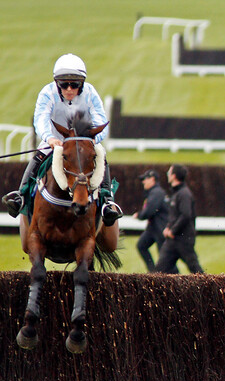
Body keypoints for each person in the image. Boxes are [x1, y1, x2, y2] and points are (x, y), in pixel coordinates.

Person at [2, 53, 122, 226]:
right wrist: (49, 138)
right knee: (40, 154)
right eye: (64, 85)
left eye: (74, 85)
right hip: (56, 142)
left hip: (84, 142)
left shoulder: (90, 93)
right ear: (57, 83)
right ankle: (21, 195)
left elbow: (101, 120)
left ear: (82, 84)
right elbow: (41, 118)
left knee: (100, 153)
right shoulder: (47, 92)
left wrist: (93, 139)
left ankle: (108, 203)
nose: (69, 90)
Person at [154, 165, 204, 274]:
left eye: (169, 172)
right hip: (172, 240)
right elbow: (174, 216)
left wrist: (172, 230)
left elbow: (186, 215)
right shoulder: (177, 193)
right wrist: (168, 227)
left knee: (196, 270)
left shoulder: (184, 194)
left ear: (174, 176)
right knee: (159, 271)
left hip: (183, 240)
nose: (167, 174)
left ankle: (210, 289)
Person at [133, 170, 169, 273]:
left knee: (165, 259)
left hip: (160, 228)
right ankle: (153, 273)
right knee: (141, 245)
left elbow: (149, 210)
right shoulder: (153, 192)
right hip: (153, 228)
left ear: (152, 179)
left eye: (145, 179)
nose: (143, 182)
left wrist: (139, 215)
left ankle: (172, 277)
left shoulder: (157, 192)